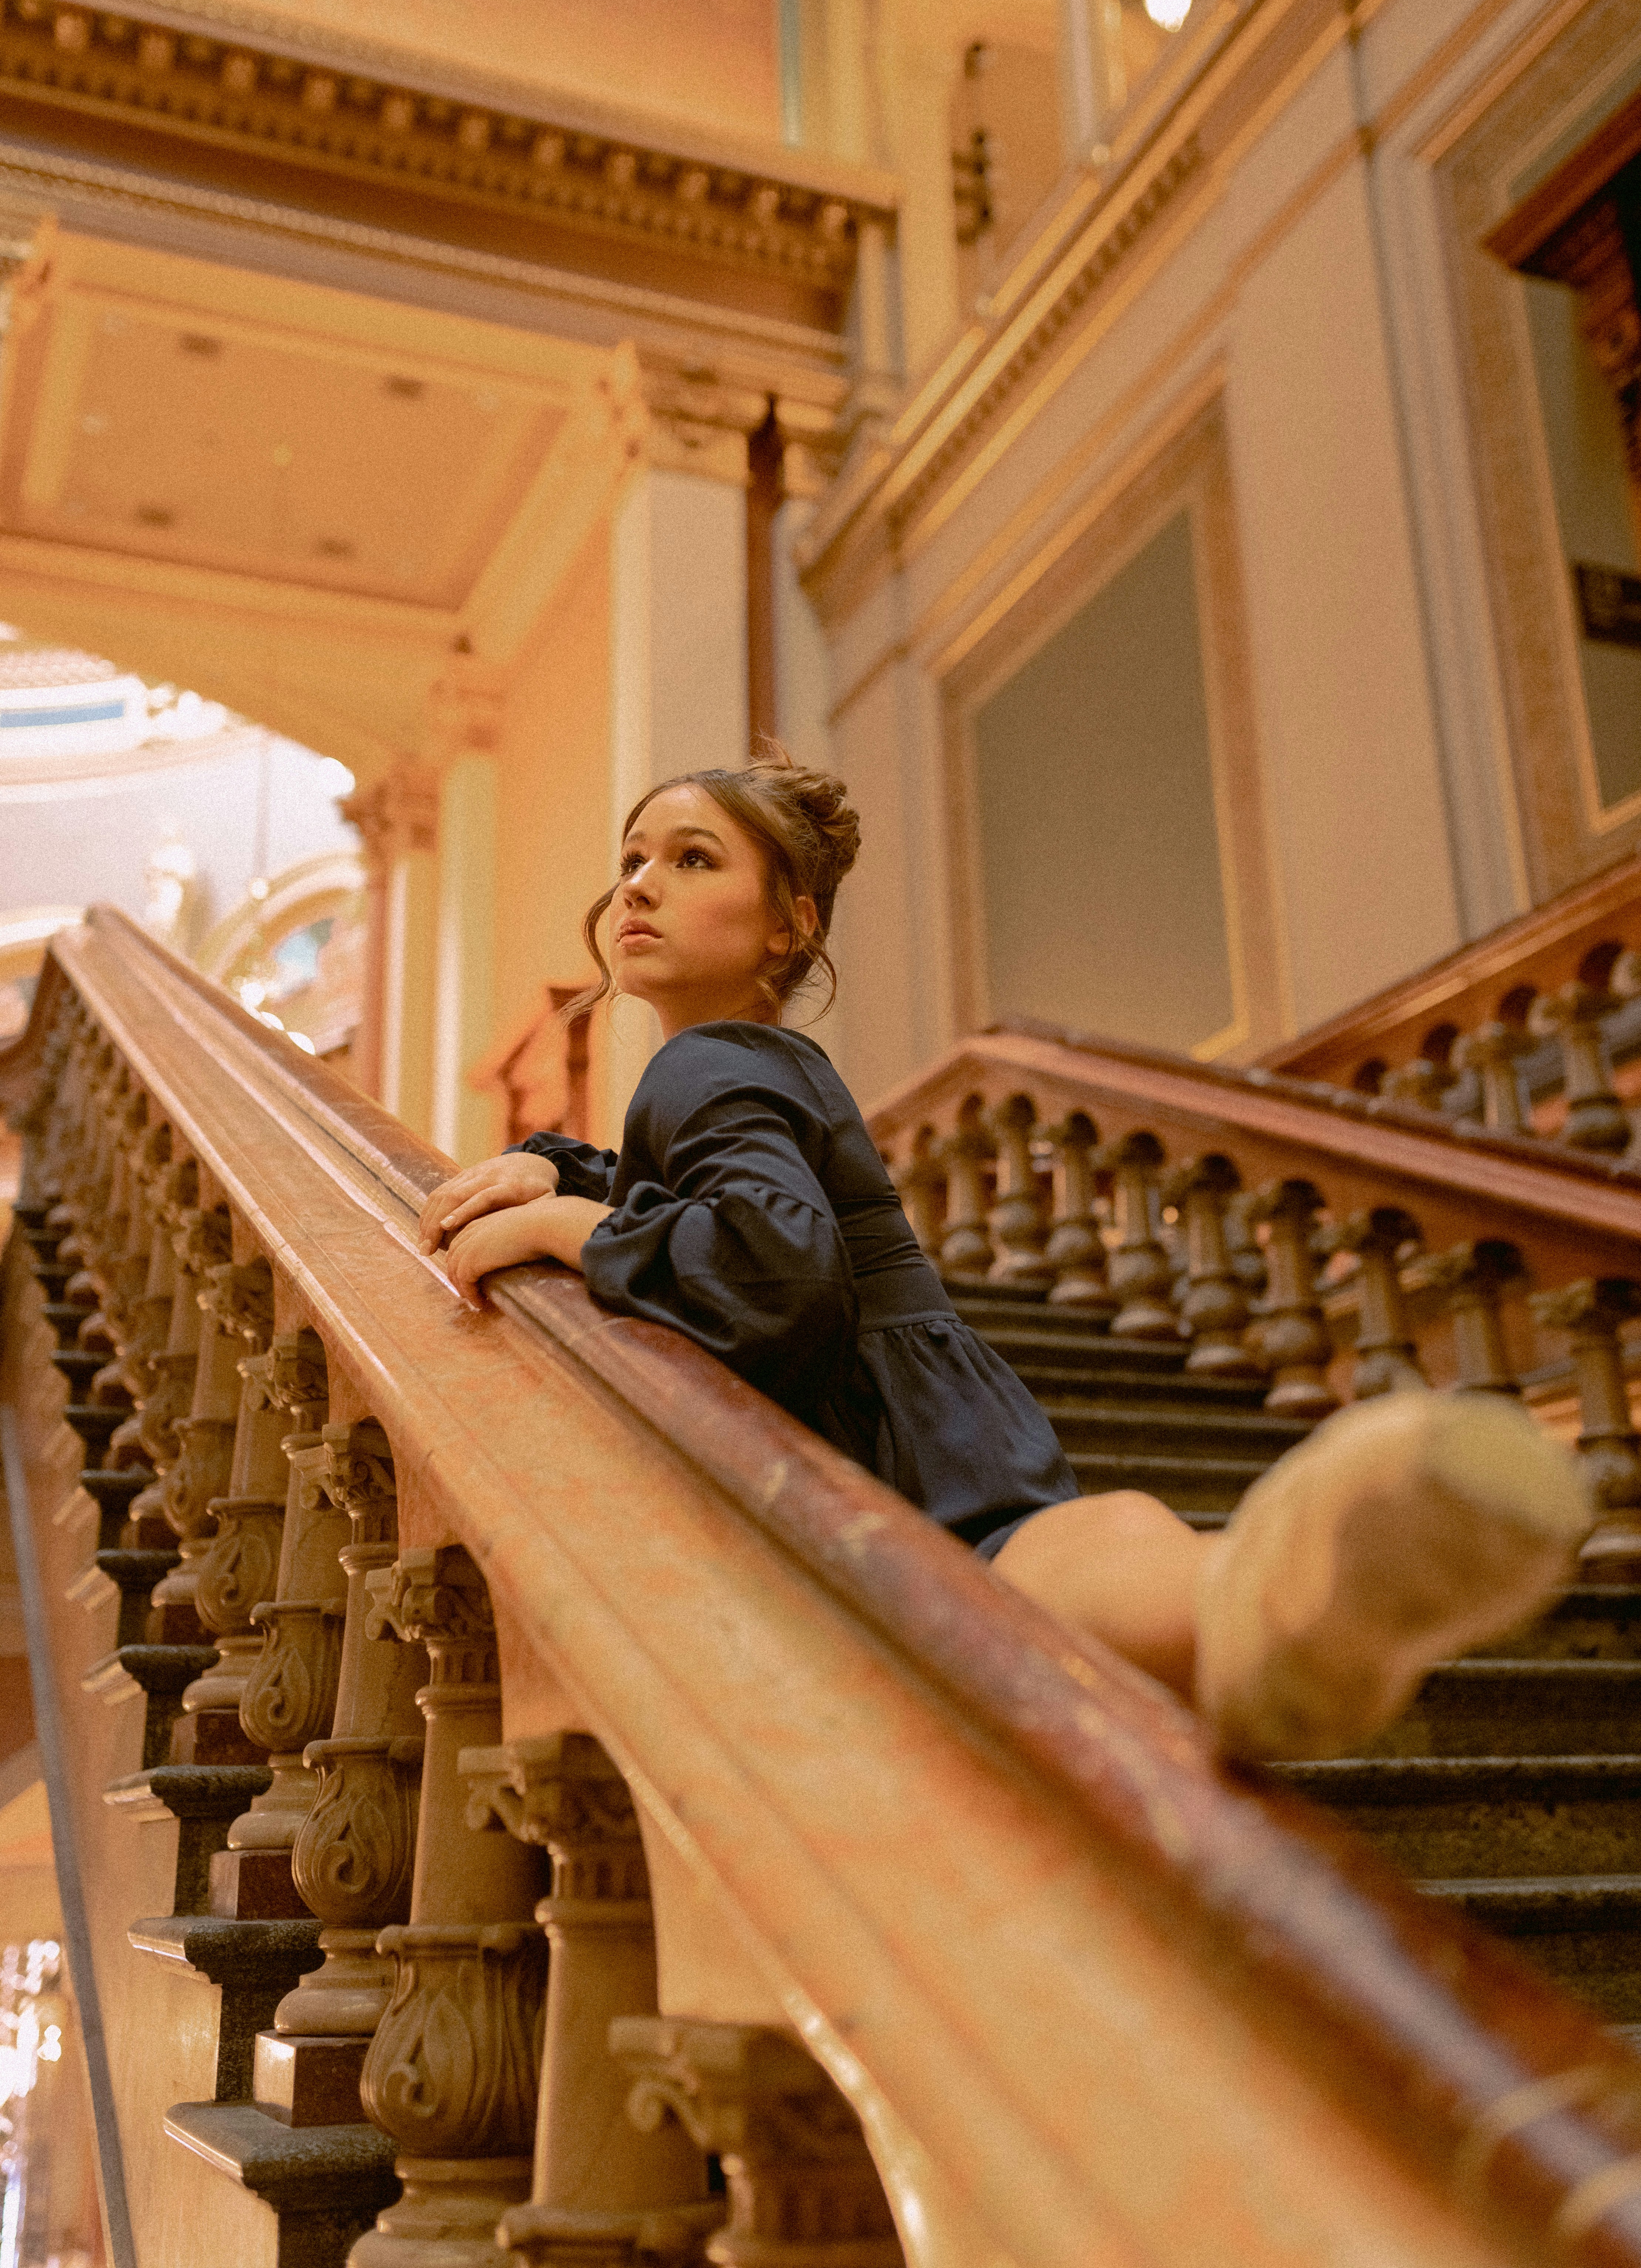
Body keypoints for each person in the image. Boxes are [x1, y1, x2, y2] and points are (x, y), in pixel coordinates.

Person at [417, 750, 1590, 1762]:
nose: (640, 884)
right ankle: (1276, 1601)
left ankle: (1281, 1597)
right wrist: (563, 1170)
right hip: (942, 1403)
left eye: (691, 860)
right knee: (1068, 1550)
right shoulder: (750, 1062)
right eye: (632, 859)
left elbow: (774, 1265)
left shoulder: (701, 1064)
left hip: (879, 1422)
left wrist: (566, 1225)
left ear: (790, 924)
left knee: (1016, 1585)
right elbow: (713, 1190)